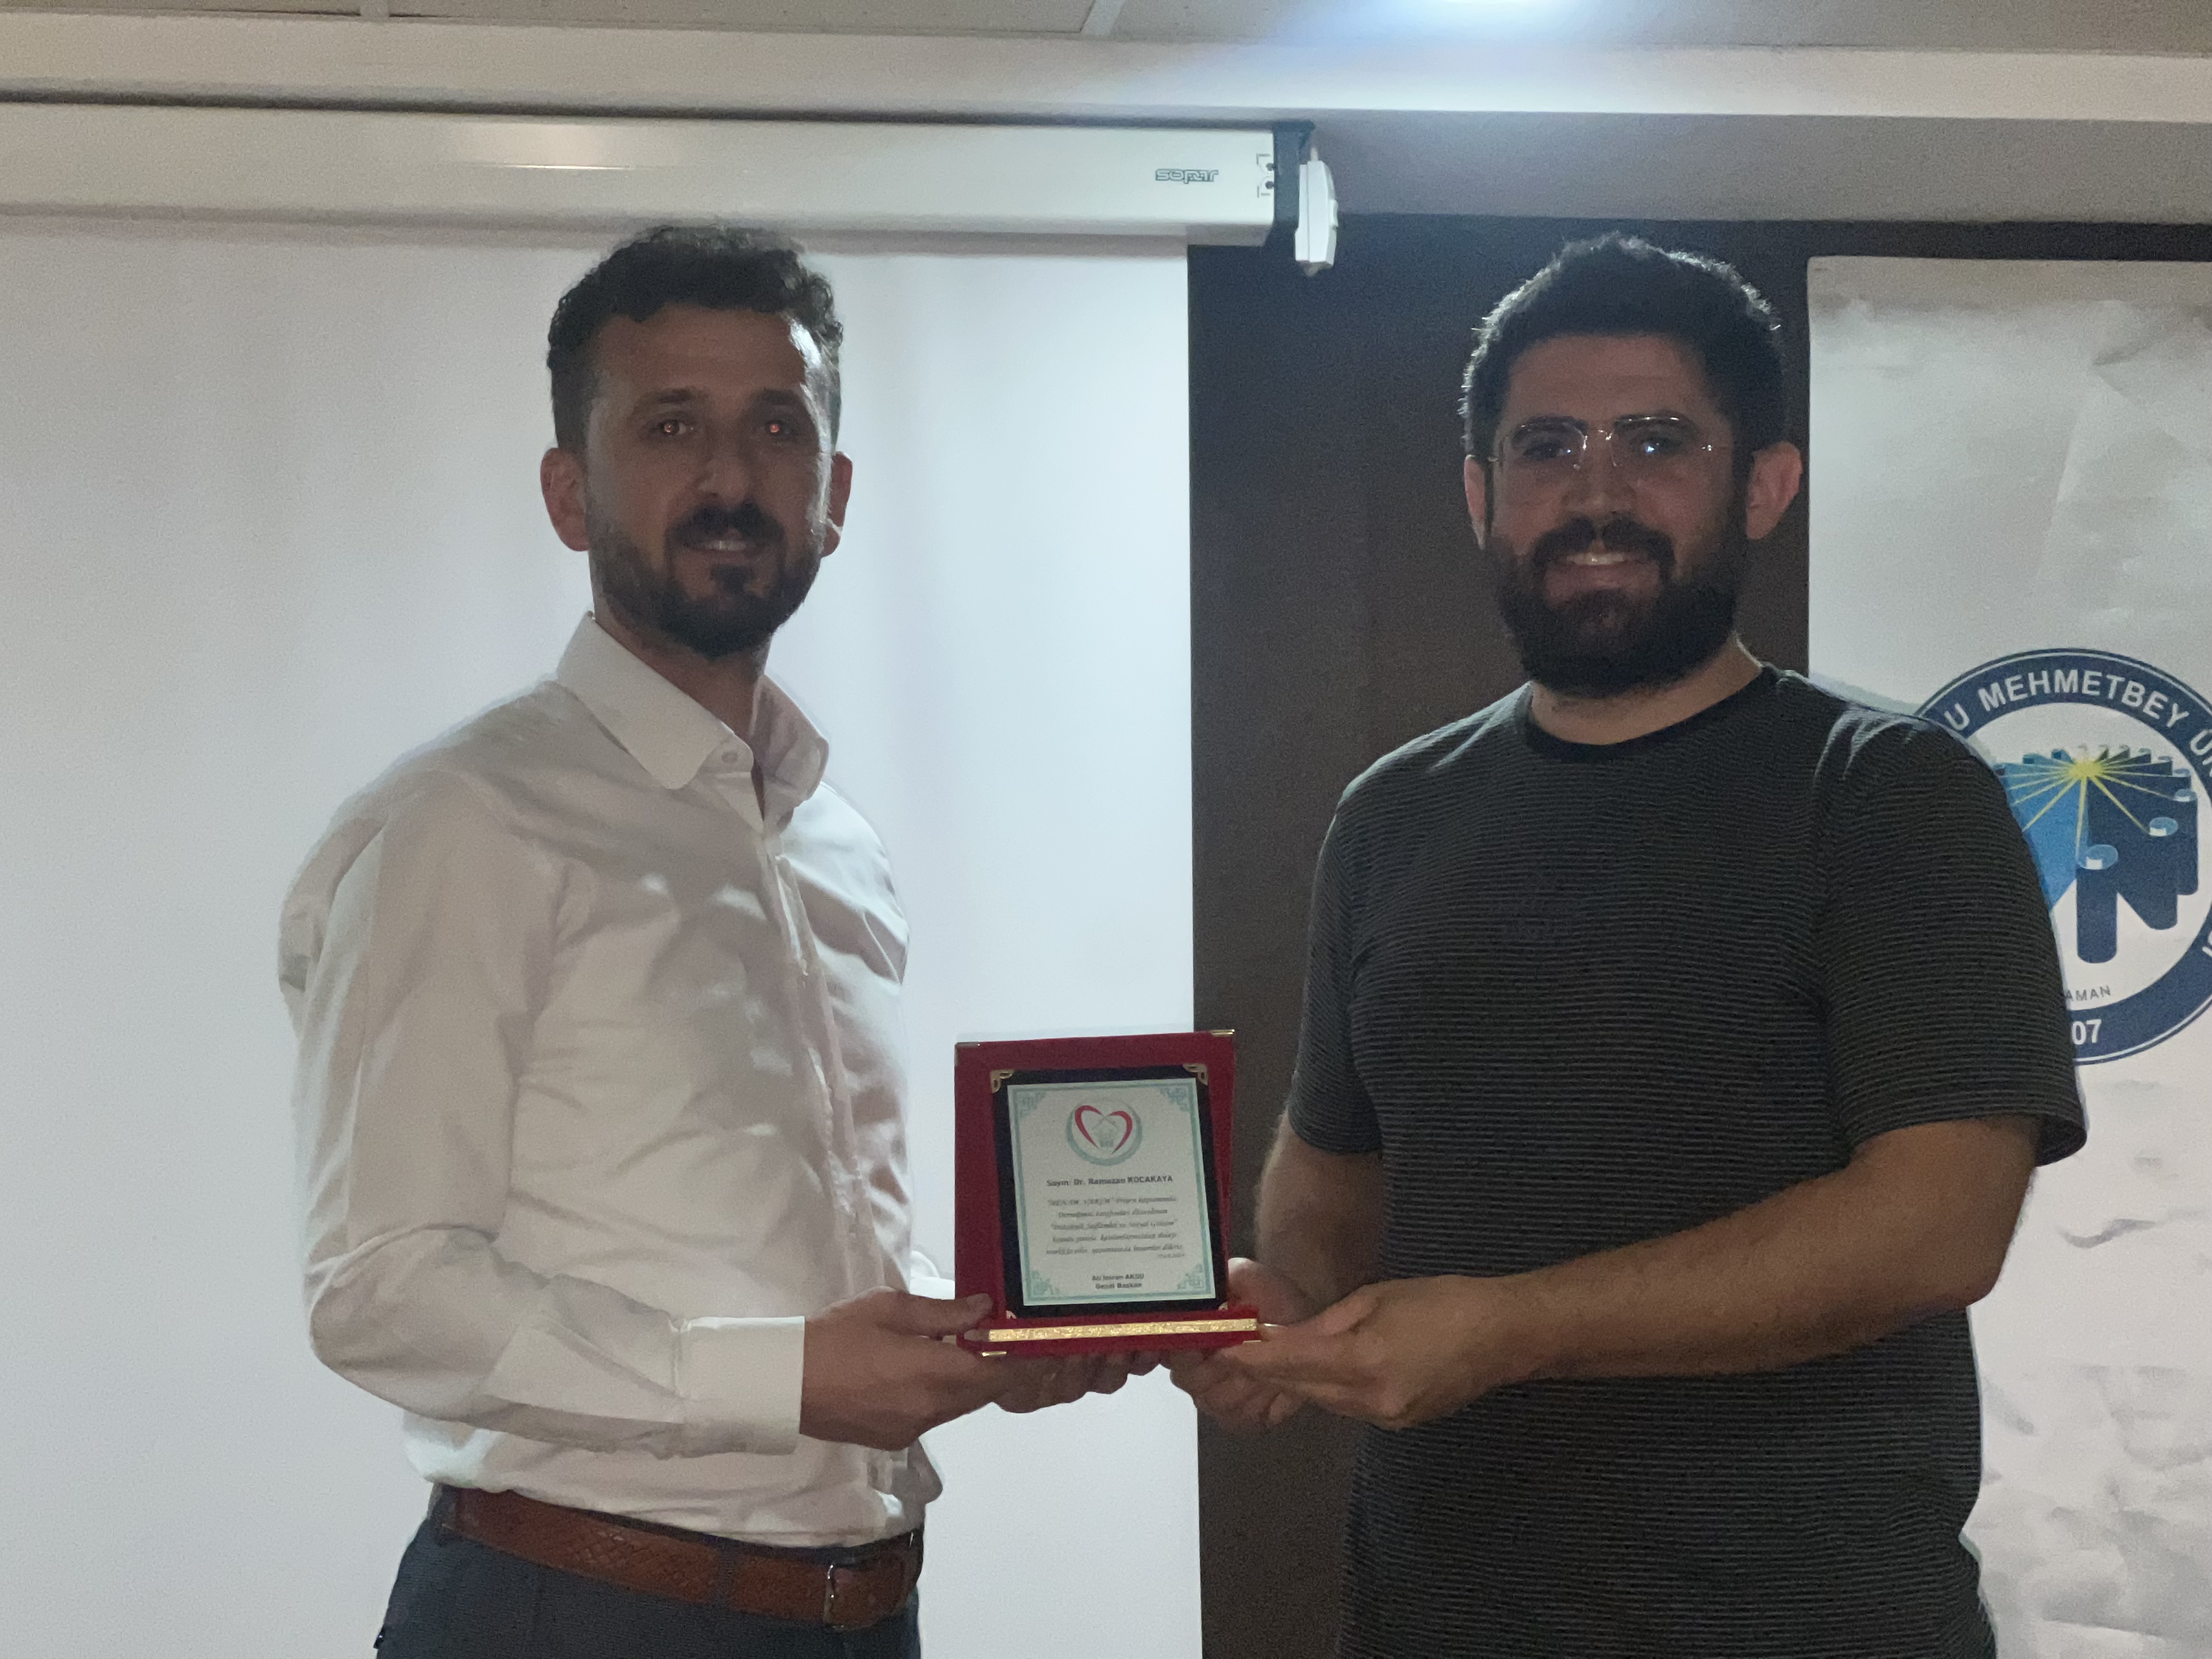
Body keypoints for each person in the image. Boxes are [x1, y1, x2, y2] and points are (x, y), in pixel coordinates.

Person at [1172, 234, 2086, 1656]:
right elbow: (1334, 1169)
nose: (1595, 493)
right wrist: (1291, 1312)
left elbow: (1939, 1226)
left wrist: (1513, 1327)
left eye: (1657, 442)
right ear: (1480, 494)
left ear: (1763, 484)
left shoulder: (1892, 796)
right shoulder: (1392, 818)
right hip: (1441, 1620)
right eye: (1545, 448)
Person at [281, 224, 1128, 1659]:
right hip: (577, 1613)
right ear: (571, 492)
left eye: (777, 429)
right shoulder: (467, 822)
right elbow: (382, 1292)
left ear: (835, 495)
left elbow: (786, 1257)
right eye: (671, 426)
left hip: (864, 1612)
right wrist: (786, 1380)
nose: (732, 479)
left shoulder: (833, 842)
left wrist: (998, 1331)